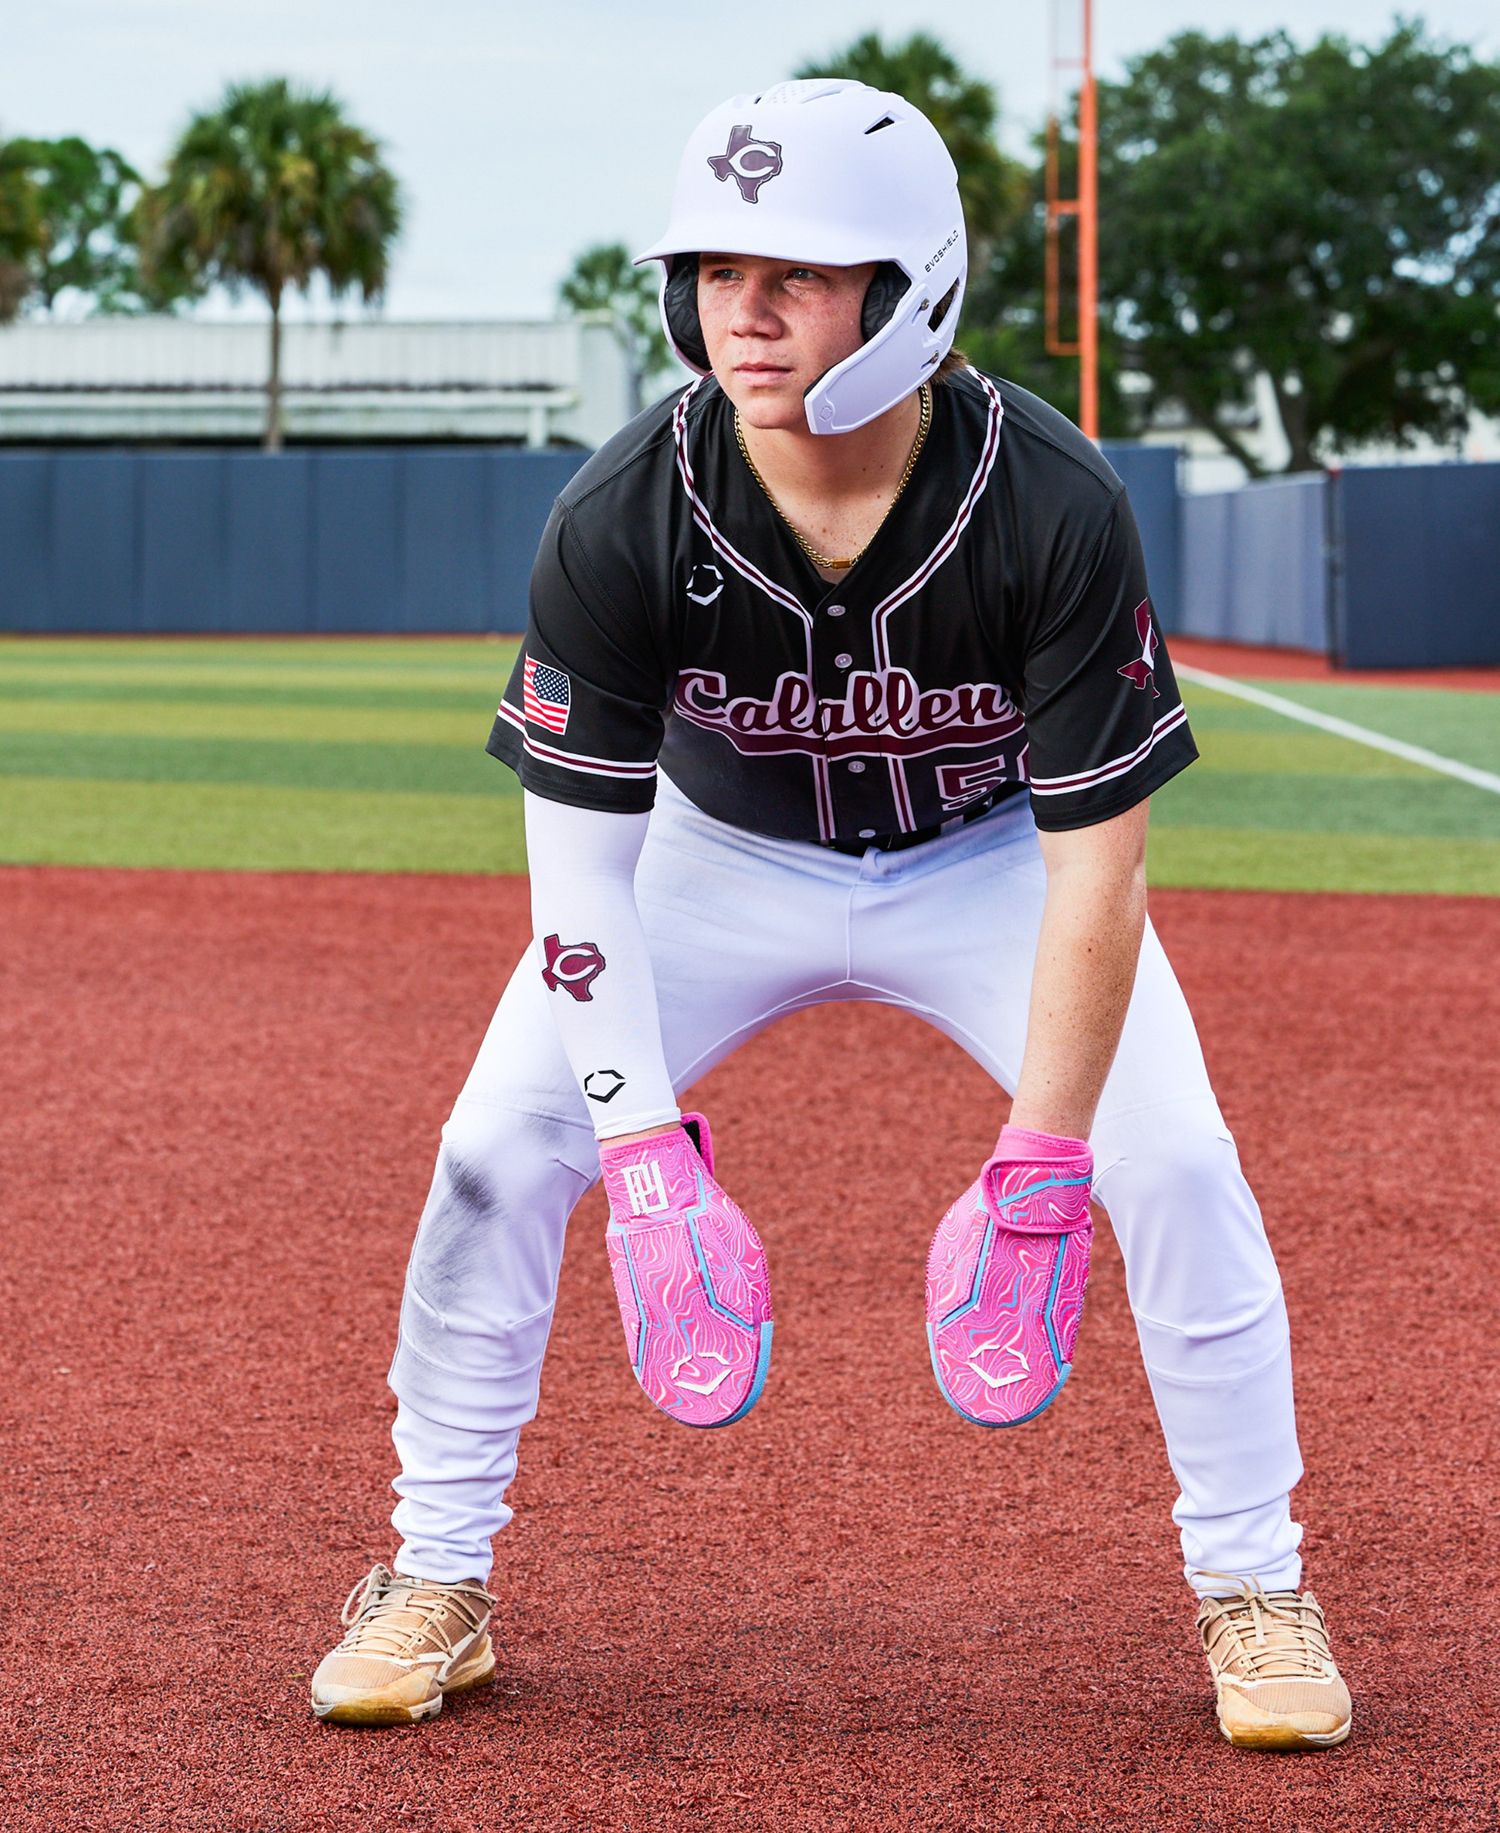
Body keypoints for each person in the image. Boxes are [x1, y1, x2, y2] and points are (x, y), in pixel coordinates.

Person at [310, 79, 1351, 1751]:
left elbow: (1099, 868)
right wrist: (642, 1153)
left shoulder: (1049, 501)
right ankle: (435, 1570)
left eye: (797, 273)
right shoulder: (623, 511)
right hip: (707, 864)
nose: (746, 311)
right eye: (717, 271)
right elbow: (581, 873)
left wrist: (1042, 1162)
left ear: (910, 288)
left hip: (989, 863)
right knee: (497, 1152)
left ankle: (1257, 1583)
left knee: (1174, 1166)